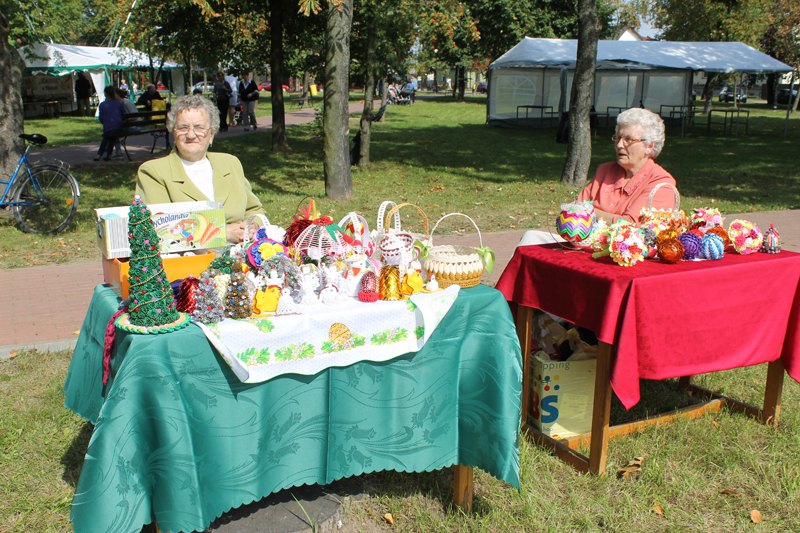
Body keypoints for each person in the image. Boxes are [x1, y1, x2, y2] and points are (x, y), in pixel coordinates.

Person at [135, 94, 265, 243]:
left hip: (241, 255)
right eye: (183, 127)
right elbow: (159, 228)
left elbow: (254, 210)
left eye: (199, 127)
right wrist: (221, 233)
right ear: (173, 133)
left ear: (211, 134)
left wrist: (253, 226)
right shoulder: (153, 172)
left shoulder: (230, 163)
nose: (191, 134)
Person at [577, 107, 677, 224]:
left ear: (649, 146)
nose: (619, 145)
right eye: (618, 138)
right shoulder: (604, 171)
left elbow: (631, 226)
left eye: (628, 139)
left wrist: (588, 212)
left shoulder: (661, 183)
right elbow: (573, 211)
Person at [94, 86, 125, 161]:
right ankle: (108, 155)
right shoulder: (119, 103)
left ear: (106, 94)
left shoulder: (103, 104)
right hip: (119, 128)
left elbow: (101, 118)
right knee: (112, 138)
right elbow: (124, 115)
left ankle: (99, 154)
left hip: (108, 129)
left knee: (107, 137)